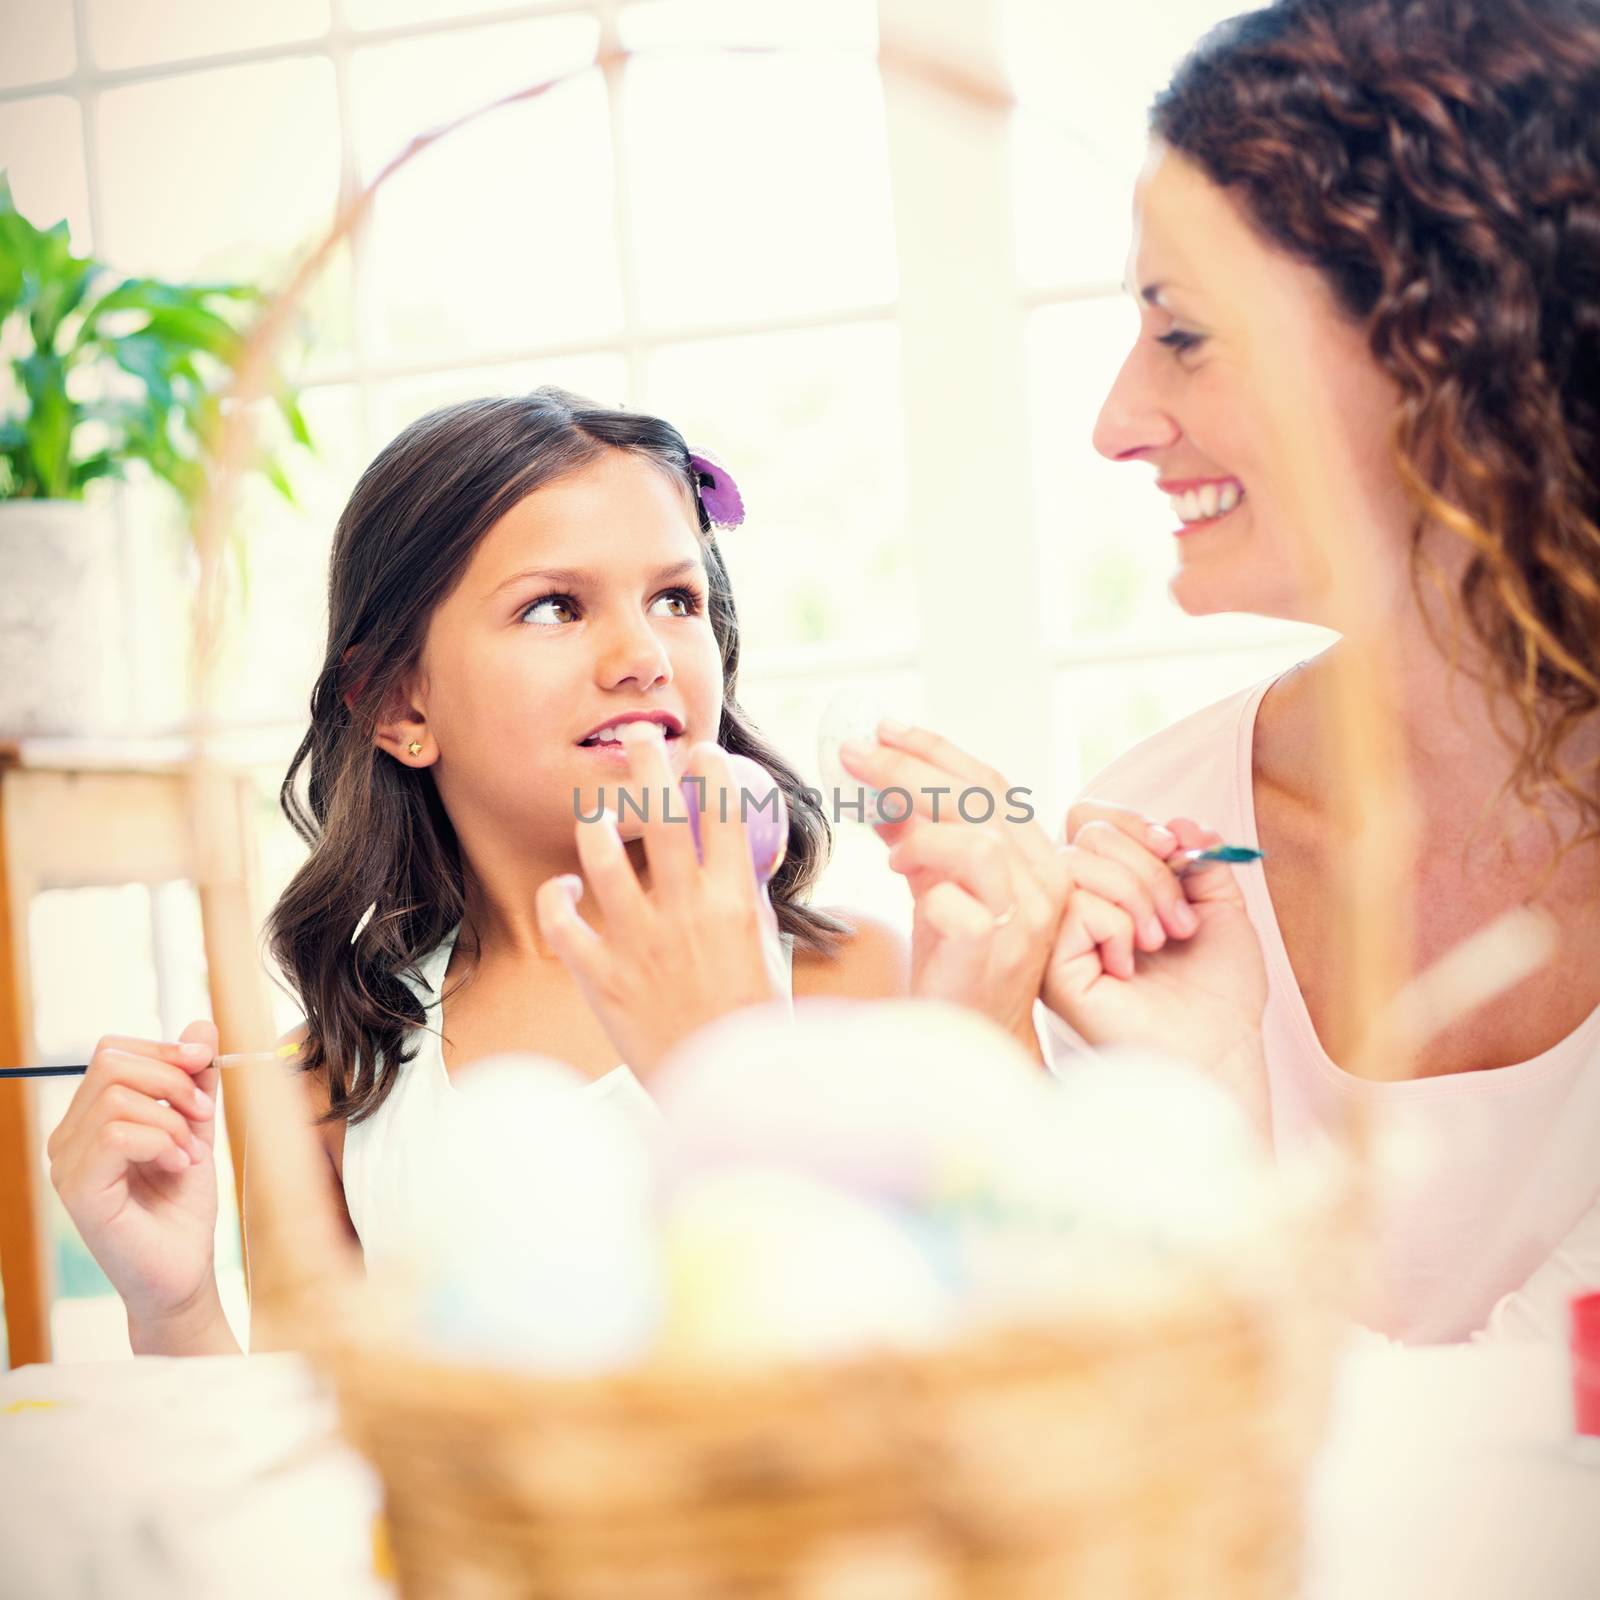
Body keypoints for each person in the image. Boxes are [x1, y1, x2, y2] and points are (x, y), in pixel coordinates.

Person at [846, 0, 1600, 1342]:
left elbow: (1538, 1459)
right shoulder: (1166, 849)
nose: (1117, 422)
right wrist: (1034, 1064)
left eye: (1183, 331)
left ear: (1455, 338)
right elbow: (1107, 1440)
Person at [47, 389, 916, 1356]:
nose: (643, 656)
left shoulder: (864, 983)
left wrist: (734, 1071)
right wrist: (174, 1309)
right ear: (397, 705)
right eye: (555, 606)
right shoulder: (331, 1088)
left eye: (676, 599)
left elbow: (943, 1403)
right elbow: (322, 1477)